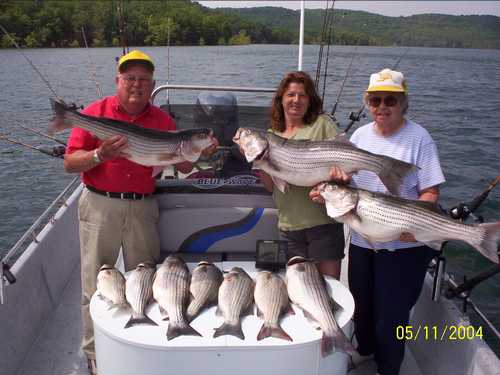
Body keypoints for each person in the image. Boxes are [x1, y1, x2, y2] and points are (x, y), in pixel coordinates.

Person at [64, 50, 216, 374]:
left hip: (143, 207)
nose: (136, 85)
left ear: (153, 84)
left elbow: (183, 162)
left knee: (145, 279)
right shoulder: (95, 113)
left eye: (143, 80)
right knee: (94, 283)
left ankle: (144, 347)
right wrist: (98, 155)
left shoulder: (164, 122)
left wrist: (201, 150)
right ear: (118, 81)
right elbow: (70, 163)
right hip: (99, 205)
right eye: (129, 78)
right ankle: (95, 354)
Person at [313, 68, 445, 375]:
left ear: (403, 103)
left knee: (392, 318)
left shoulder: (419, 138)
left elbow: (430, 191)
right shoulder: (359, 136)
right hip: (362, 240)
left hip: (403, 246)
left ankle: (388, 368)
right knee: (363, 308)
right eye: (375, 100)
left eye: (390, 100)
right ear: (367, 102)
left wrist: (419, 226)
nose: (382, 107)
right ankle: (366, 352)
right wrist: (332, 190)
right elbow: (349, 187)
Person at [259, 71, 345, 279]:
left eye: (302, 95)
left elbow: (343, 162)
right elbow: (271, 187)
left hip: (324, 224)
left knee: (330, 287)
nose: (296, 100)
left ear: (310, 100)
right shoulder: (271, 136)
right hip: (288, 226)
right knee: (300, 292)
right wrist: (260, 162)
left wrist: (338, 179)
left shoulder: (322, 125)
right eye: (290, 95)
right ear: (281, 99)